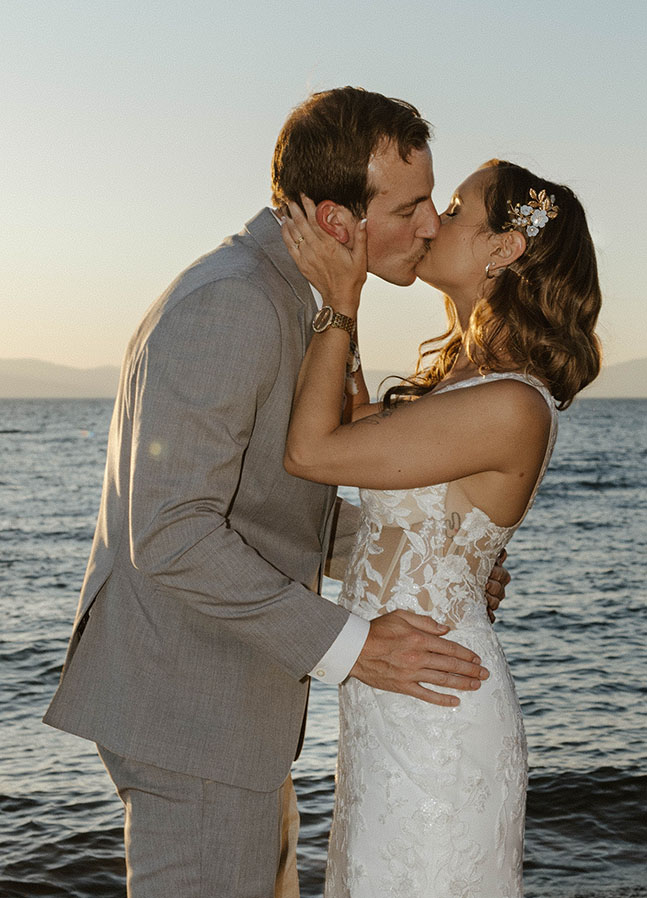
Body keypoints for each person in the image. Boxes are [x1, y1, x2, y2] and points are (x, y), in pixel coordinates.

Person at [43, 87, 510, 898]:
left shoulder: (300, 297)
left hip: (229, 702)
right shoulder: (233, 302)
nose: (432, 224)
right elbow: (172, 530)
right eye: (410, 207)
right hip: (188, 710)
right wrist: (353, 647)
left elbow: (267, 503)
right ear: (337, 221)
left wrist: (418, 557)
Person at [280, 158, 602, 896]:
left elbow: (310, 450)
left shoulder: (511, 405)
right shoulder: (457, 382)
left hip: (439, 722)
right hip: (387, 708)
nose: (432, 223)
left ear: (503, 249)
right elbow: (339, 421)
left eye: (455, 209)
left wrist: (339, 298)